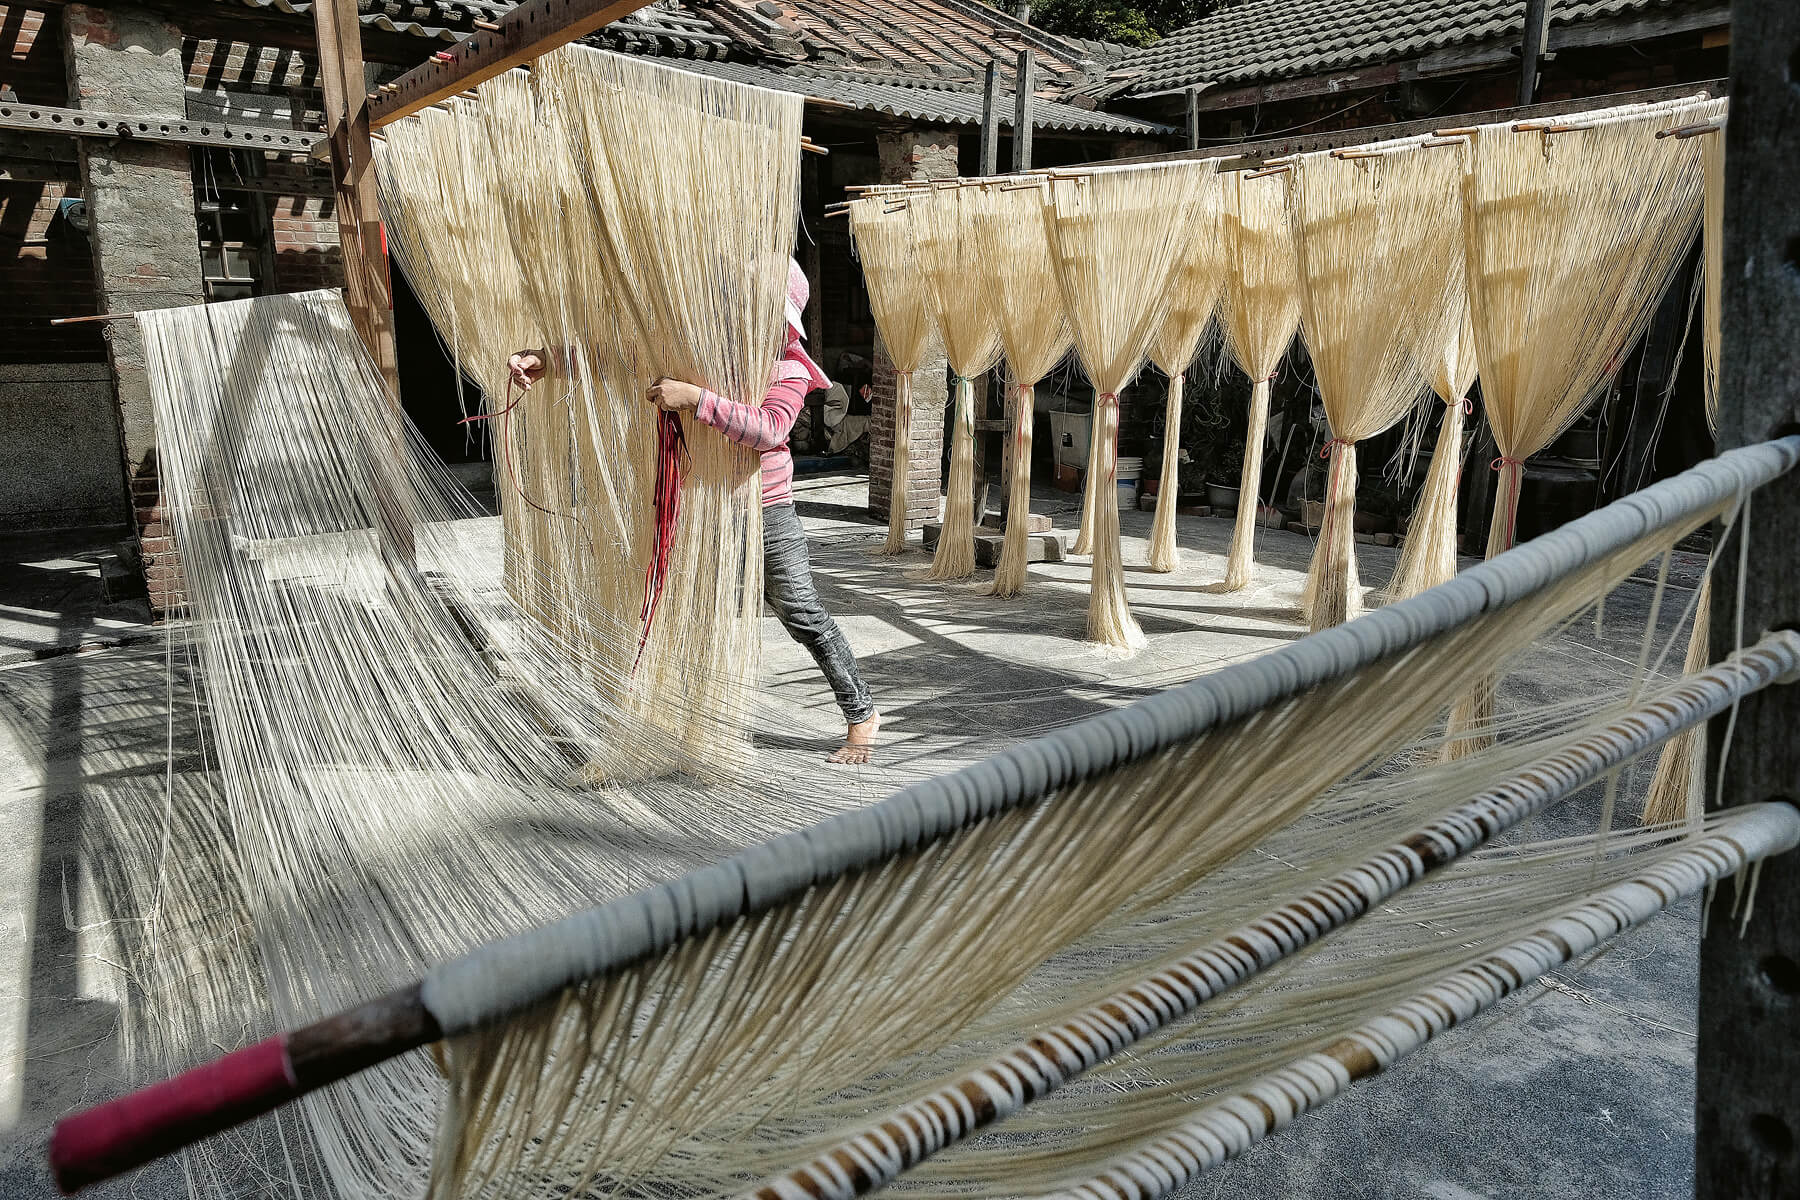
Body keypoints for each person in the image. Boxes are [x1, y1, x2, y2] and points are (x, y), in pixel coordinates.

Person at [508, 260, 880, 764]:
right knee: (689, 610)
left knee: (799, 610)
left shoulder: (789, 369)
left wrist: (696, 399)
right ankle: (682, 722)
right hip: (704, 508)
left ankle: (861, 714)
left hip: (768, 512)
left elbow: (769, 429)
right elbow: (618, 355)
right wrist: (546, 361)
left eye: (761, 314)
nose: (745, 321)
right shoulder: (708, 357)